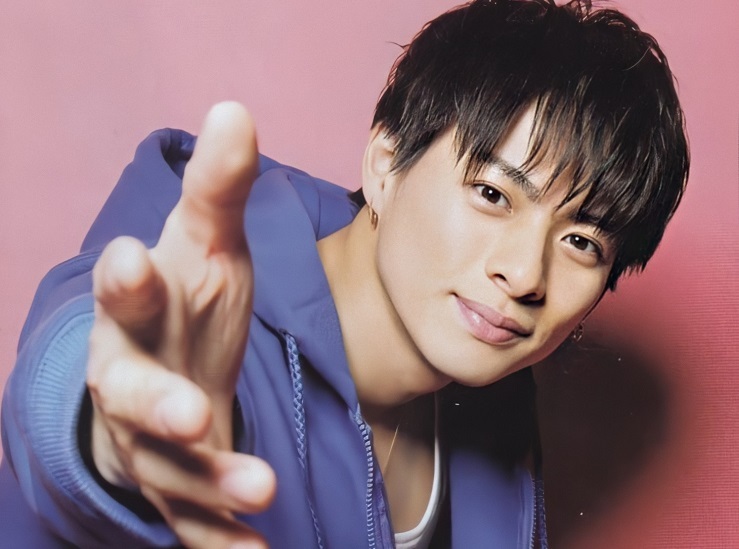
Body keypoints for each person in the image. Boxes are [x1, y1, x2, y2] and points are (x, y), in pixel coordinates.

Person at [0, 0, 688, 547]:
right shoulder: (203, 309)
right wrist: (112, 442)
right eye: (491, 193)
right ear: (385, 165)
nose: (523, 273)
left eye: (580, 241)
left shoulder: (492, 407)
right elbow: (78, 367)